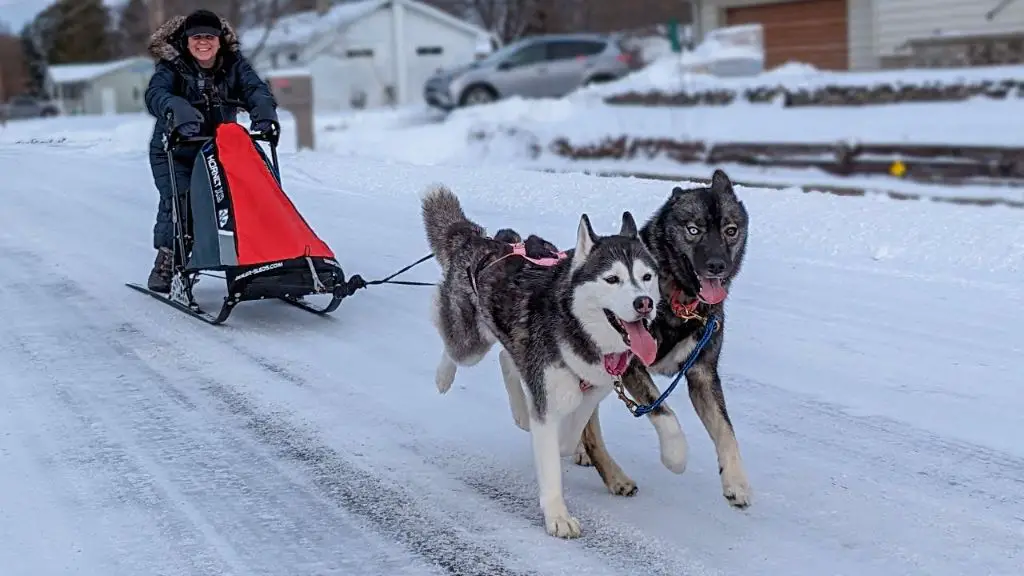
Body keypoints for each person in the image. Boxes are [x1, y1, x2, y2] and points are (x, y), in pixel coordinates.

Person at [143, 9, 279, 293]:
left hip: (221, 146)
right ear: (186, 39)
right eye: (196, 37)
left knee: (249, 193)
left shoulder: (234, 63)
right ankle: (169, 259)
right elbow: (156, 94)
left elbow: (255, 88)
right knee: (182, 202)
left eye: (209, 37)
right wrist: (177, 109)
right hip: (176, 148)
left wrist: (264, 112)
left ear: (219, 40)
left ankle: (259, 258)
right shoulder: (171, 66)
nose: (203, 42)